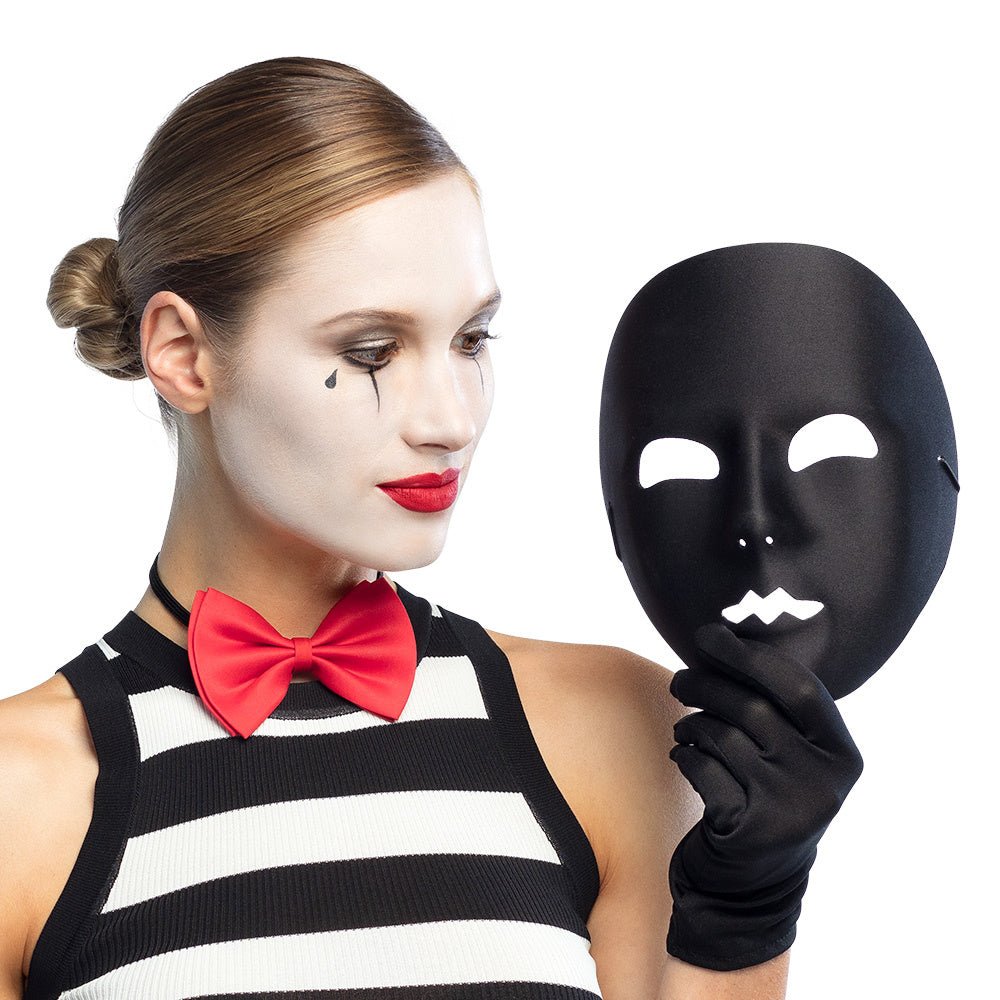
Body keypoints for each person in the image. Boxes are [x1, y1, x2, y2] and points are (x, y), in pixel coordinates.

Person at [0, 57, 790, 999]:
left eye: (471, 339)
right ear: (183, 353)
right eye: (372, 351)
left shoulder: (616, 728)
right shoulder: (21, 800)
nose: (451, 420)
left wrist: (751, 903)